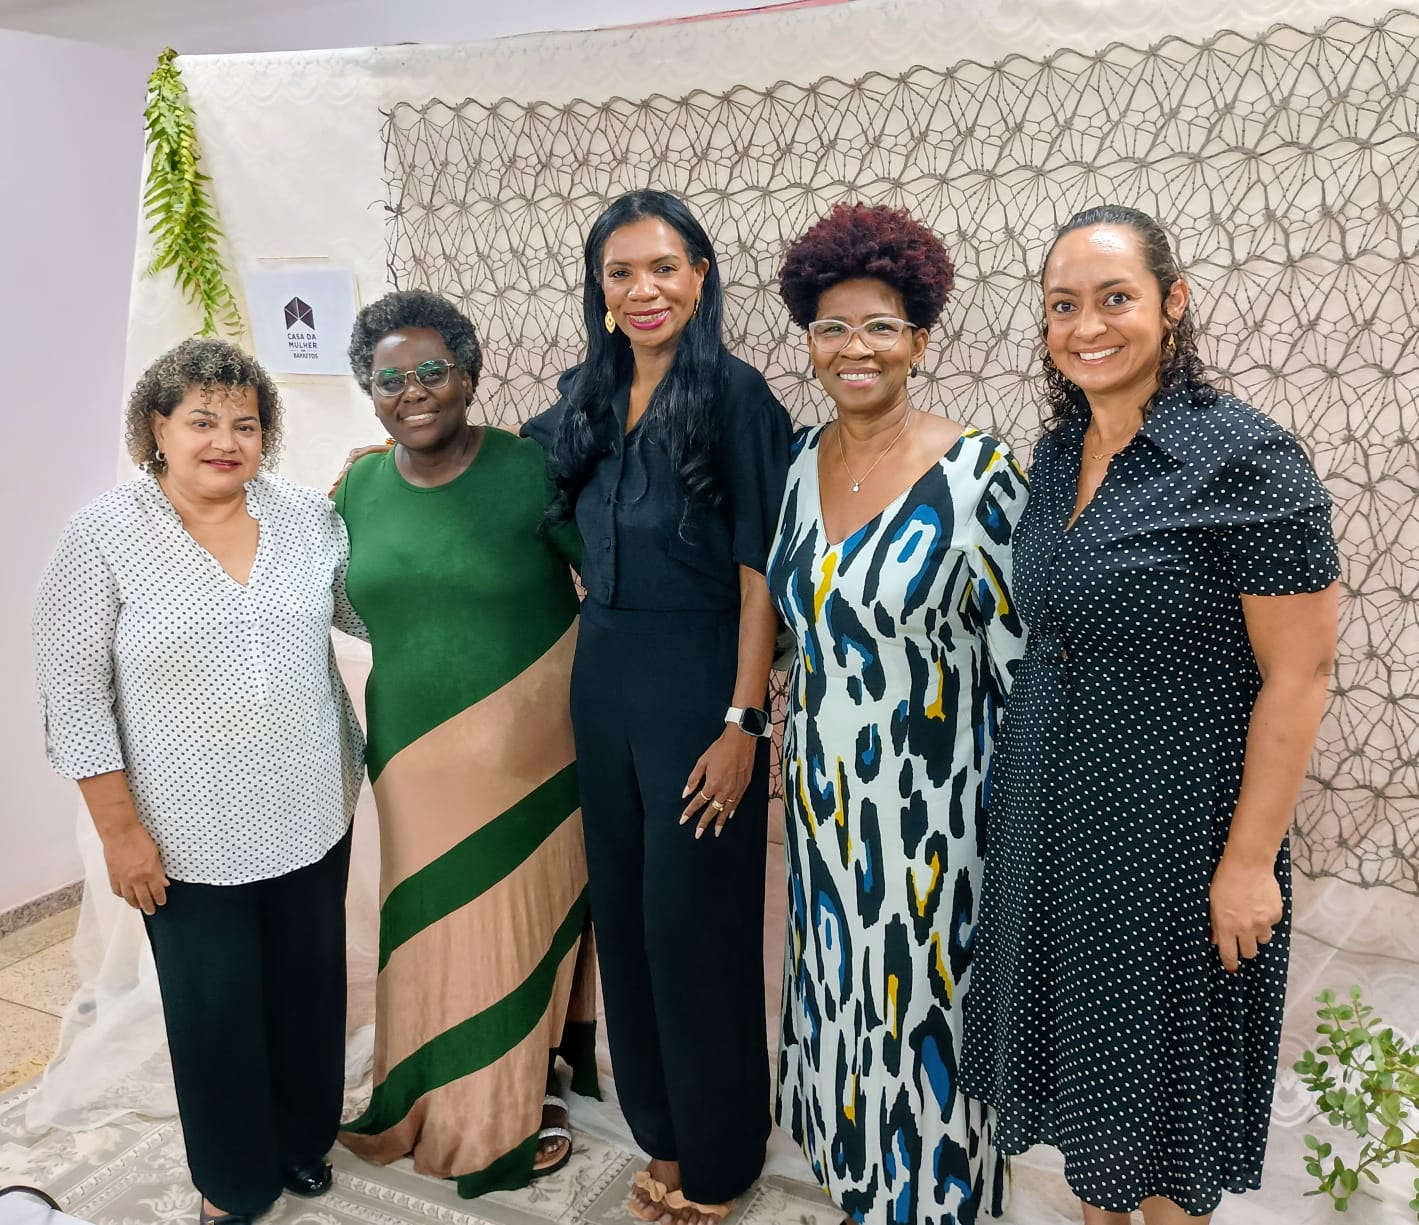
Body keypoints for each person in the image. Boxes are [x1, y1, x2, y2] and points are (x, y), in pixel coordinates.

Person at [960, 205, 1340, 1224]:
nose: (1089, 325)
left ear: (1173, 304)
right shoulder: (1054, 453)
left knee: (1167, 1128)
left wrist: (1250, 862)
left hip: (1178, 837)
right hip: (1057, 825)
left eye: (1115, 297)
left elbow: (1298, 679)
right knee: (1096, 1111)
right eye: (1064, 305)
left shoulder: (1248, 461)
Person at [33, 339, 365, 1225]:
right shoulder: (104, 534)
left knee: (306, 991)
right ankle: (234, 1177)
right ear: (158, 427)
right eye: (203, 420)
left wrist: (395, 497)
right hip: (185, 830)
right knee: (214, 1010)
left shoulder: (307, 518)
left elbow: (369, 607)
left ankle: (302, 1142)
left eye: (245, 424)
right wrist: (119, 831)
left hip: (311, 806)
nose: (226, 440)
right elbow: (72, 690)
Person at [524, 189, 792, 1225]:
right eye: (622, 272)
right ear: (599, 290)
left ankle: (719, 1153)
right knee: (628, 917)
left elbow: (760, 569)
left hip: (701, 681)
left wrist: (745, 721)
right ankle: (664, 1133)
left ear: (701, 278)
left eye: (665, 267)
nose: (645, 290)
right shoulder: (581, 396)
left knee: (696, 921)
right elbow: (517, 479)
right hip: (605, 678)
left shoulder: (737, 396)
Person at [766, 203, 1025, 1225]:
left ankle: (934, 1204)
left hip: (937, 818)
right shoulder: (794, 464)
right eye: (832, 328)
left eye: (879, 326)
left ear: (920, 340)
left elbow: (1017, 663)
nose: (854, 348)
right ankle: (861, 1187)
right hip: (827, 806)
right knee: (840, 1001)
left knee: (922, 1020)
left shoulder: (980, 476)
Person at [332, 290, 598, 1194]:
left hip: (531, 762)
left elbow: (612, 575)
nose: (412, 392)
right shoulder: (356, 487)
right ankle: (419, 1090)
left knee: (512, 934)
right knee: (427, 928)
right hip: (409, 759)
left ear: (470, 376)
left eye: (431, 371)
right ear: (369, 391)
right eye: (389, 377)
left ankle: (519, 1098)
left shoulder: (530, 468)